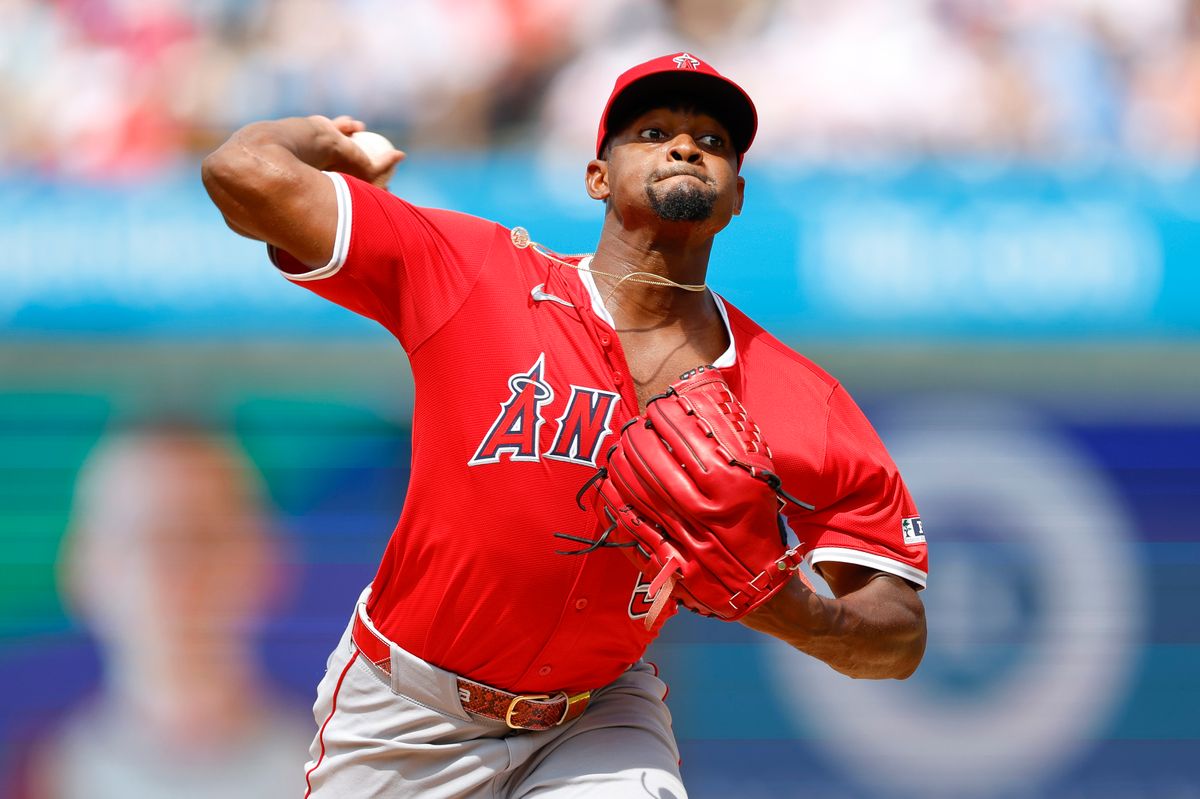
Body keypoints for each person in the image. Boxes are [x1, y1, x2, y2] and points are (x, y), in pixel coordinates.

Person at [201, 52, 929, 799]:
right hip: (407, 709)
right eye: (652, 130)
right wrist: (324, 142)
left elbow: (899, 633)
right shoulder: (479, 274)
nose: (685, 146)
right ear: (597, 178)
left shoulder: (795, 394)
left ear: (736, 196)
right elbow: (240, 173)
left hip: (598, 715)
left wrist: (790, 609)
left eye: (712, 141)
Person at [13, 425, 312, 799]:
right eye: (140, 536)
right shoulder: (31, 781)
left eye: (202, 535)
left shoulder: (356, 776)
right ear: (80, 568)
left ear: (266, 560)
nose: (172, 569)